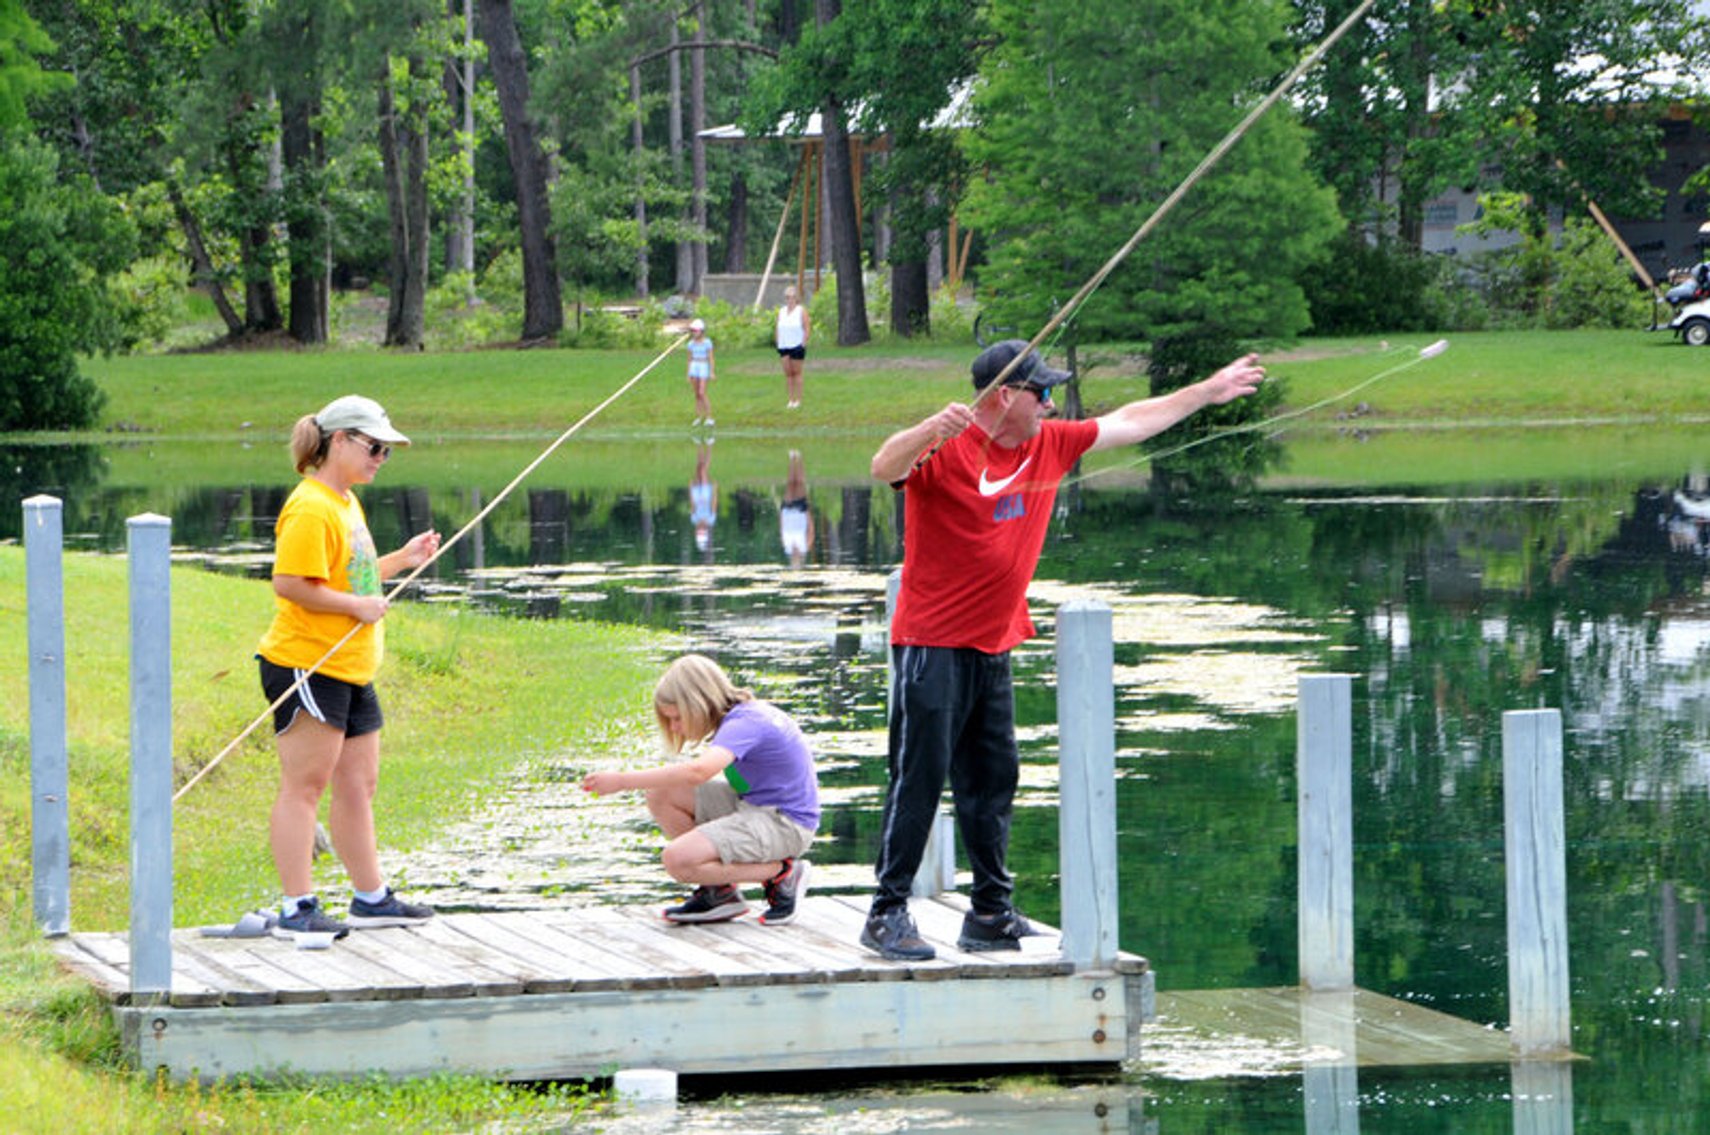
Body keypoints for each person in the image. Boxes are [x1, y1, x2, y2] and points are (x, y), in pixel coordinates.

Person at [860, 339, 1266, 961]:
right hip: (931, 644)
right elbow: (883, 467)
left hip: (994, 642)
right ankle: (887, 913)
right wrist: (926, 429)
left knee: (995, 779)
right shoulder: (948, 449)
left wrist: (1207, 391)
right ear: (1004, 397)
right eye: (1041, 391)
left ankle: (990, 913)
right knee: (918, 779)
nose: (1051, 402)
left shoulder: (1048, 444)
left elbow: (1132, 420)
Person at [258, 394, 442, 939]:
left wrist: (401, 560)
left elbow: (346, 578)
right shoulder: (311, 505)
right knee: (305, 787)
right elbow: (290, 584)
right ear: (339, 441)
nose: (381, 458)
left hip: (353, 669)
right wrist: (357, 607)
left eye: (388, 451)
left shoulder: (345, 503)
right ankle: (298, 908)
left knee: (359, 784)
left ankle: (371, 898)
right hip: (307, 666)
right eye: (374, 447)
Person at [581, 654, 819, 926]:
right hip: (757, 808)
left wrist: (622, 781)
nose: (674, 728)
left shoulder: (745, 724)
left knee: (678, 860)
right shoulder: (741, 716)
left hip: (785, 824)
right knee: (663, 793)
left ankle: (782, 875)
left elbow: (698, 772)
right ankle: (719, 892)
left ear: (698, 703)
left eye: (677, 718)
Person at [775, 285, 810, 409]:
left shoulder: (801, 311)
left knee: (797, 373)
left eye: (792, 297)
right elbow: (778, 327)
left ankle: (798, 400)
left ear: (796, 298)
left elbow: (806, 328)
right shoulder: (782, 311)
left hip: (796, 345)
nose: (790, 300)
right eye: (787, 297)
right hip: (784, 345)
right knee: (788, 374)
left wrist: (803, 343)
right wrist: (778, 342)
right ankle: (790, 399)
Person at [780, 448, 814, 568]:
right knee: (799, 483)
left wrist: (781, 514)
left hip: (787, 511)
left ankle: (792, 459)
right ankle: (799, 459)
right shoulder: (805, 546)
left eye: (793, 560)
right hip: (800, 511)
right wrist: (808, 513)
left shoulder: (787, 547)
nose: (795, 557)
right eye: (797, 560)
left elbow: (782, 530)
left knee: (790, 483)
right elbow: (811, 530)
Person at [690, 439, 717, 557]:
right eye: (702, 531)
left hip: (697, 495)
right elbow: (714, 504)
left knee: (699, 467)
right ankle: (710, 445)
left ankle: (699, 444)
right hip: (706, 495)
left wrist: (690, 489)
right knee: (703, 470)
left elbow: (692, 505)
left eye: (699, 531)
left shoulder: (694, 519)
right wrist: (715, 490)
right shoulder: (711, 519)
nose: (700, 528)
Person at [686, 317, 716, 427]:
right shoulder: (690, 344)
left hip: (703, 365)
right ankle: (699, 417)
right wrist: (688, 373)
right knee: (697, 394)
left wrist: (712, 372)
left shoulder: (707, 343)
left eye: (696, 331)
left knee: (702, 392)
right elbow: (689, 359)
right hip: (694, 366)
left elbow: (711, 358)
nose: (694, 333)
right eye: (693, 331)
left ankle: (709, 417)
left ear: (701, 331)